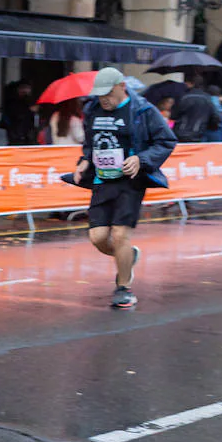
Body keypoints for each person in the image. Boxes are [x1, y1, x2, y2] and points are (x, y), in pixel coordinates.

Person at [75, 68, 175, 309]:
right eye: (99, 95)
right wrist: (84, 161)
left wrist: (142, 159)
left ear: (122, 86)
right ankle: (128, 256)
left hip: (130, 181)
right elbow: (90, 143)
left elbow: (166, 141)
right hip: (102, 180)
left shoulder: (143, 110)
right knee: (98, 238)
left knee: (120, 235)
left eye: (108, 94)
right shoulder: (92, 109)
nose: (104, 100)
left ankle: (123, 288)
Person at [170, 74, 217, 143]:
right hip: (199, 134)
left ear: (191, 83)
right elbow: (215, 118)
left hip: (180, 133)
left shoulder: (183, 97)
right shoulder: (207, 98)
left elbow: (173, 115)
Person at [0, 80, 39, 146]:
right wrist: (29, 110)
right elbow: (17, 115)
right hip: (17, 134)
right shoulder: (13, 102)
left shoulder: (28, 100)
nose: (26, 91)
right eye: (24, 88)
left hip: (27, 134)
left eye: (28, 88)